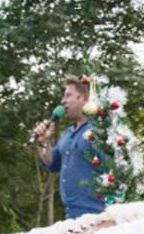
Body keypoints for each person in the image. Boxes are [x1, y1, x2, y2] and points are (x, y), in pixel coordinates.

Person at [32, 75, 108, 219]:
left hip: (97, 216)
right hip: (72, 216)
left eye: (68, 96)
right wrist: (44, 142)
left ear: (84, 99)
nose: (62, 101)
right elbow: (52, 164)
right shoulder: (67, 133)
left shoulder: (99, 131)